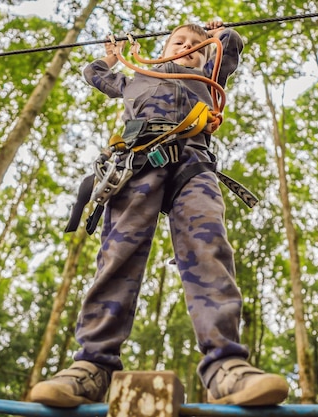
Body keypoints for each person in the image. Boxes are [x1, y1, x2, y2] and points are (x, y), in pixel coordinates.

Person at [30, 20, 289, 407]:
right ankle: (92, 366)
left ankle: (226, 366)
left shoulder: (205, 74)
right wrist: (109, 59)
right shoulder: (135, 77)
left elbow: (230, 46)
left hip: (193, 164)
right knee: (118, 256)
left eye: (196, 46)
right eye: (178, 42)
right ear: (163, 48)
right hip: (136, 162)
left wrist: (218, 33)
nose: (188, 47)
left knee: (209, 249)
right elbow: (96, 76)